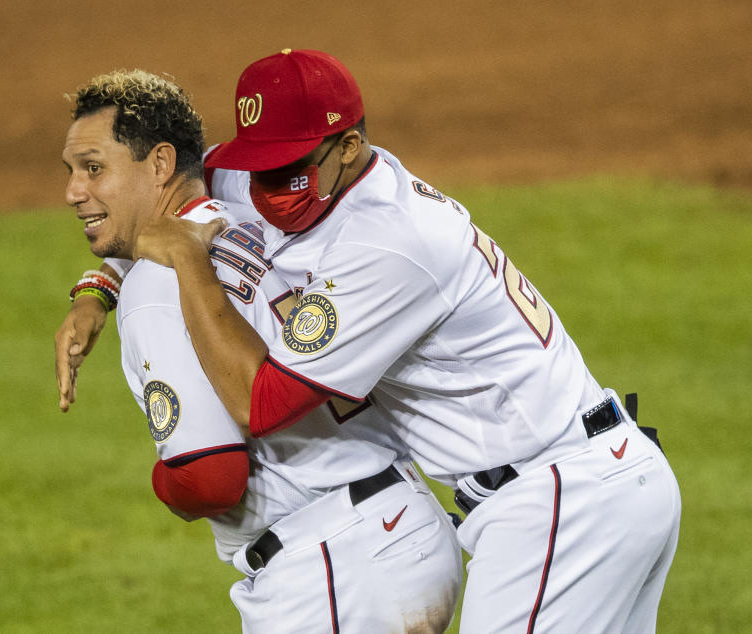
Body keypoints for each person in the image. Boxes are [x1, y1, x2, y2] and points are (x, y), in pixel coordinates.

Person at [124, 50, 682, 633]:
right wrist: (100, 289)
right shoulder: (297, 176)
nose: (267, 187)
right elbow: (162, 199)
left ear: (348, 146)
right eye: (257, 165)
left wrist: (190, 263)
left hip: (562, 503)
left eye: (288, 166)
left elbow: (259, 403)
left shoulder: (388, 241)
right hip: (600, 478)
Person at [56, 68, 462, 633]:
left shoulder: (155, 289)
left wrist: (163, 479)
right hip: (407, 526)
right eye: (73, 171)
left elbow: (210, 479)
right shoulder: (253, 210)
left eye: (94, 169)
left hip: (330, 570)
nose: (74, 191)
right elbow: (162, 228)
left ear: (160, 164)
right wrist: (95, 290)